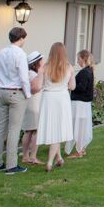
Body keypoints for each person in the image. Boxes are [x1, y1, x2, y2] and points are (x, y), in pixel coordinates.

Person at [0, 27, 33, 174]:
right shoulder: (20, 54)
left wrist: (5, 76)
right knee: (14, 129)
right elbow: (24, 77)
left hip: (3, 91)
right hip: (16, 92)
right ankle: (11, 165)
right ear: (20, 38)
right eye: (24, 38)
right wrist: (28, 94)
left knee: (0, 128)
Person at [36, 42, 75, 173]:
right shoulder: (69, 67)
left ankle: (59, 158)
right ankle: (50, 162)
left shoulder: (44, 68)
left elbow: (39, 86)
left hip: (48, 98)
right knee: (57, 130)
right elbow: (72, 86)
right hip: (62, 98)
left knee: (53, 128)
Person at [66, 50, 94, 158]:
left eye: (78, 59)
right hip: (84, 104)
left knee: (78, 126)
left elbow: (82, 87)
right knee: (81, 126)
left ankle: (79, 151)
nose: (77, 61)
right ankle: (81, 149)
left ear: (83, 59)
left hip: (80, 104)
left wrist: (70, 86)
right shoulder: (89, 70)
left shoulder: (85, 72)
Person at [20, 51, 45, 165]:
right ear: (36, 63)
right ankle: (32, 156)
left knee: (29, 131)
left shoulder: (29, 73)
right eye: (41, 60)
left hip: (30, 104)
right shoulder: (33, 74)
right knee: (35, 131)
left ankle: (26, 156)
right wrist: (41, 73)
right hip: (34, 104)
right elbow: (36, 88)